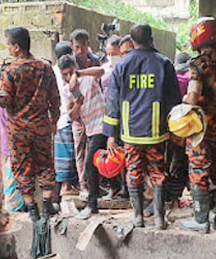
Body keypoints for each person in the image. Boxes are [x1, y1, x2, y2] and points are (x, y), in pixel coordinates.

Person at [104, 23, 180, 230]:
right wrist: (174, 131)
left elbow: (112, 102)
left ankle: (137, 216)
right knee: (157, 173)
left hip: (131, 133)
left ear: (133, 41)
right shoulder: (164, 63)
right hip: (156, 132)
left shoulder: (121, 65)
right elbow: (174, 100)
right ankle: (159, 217)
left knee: (133, 173)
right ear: (151, 38)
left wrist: (111, 134)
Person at [0, 27, 60, 222]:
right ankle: (47, 205)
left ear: (17, 47)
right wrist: (54, 121)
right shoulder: (45, 68)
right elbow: (55, 99)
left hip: (19, 131)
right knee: (45, 164)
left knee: (22, 167)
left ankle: (32, 209)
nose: (7, 49)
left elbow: (4, 101)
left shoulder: (11, 71)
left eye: (8, 45)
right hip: (42, 126)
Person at [181, 17, 216, 233]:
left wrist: (186, 100)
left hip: (201, 127)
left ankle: (200, 220)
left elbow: (194, 97)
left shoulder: (198, 64)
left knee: (199, 170)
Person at [58, 55, 106, 220]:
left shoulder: (88, 78)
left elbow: (101, 71)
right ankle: (95, 198)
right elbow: (72, 115)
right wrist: (77, 102)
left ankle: (93, 204)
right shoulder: (66, 91)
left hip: (102, 123)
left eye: (69, 72)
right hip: (88, 127)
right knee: (93, 163)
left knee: (90, 163)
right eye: (64, 74)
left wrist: (79, 73)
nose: (67, 77)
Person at [51, 41, 79, 200]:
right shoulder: (65, 73)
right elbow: (70, 95)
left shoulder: (52, 71)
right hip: (66, 117)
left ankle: (64, 187)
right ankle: (66, 187)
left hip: (57, 118)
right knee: (68, 154)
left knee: (62, 154)